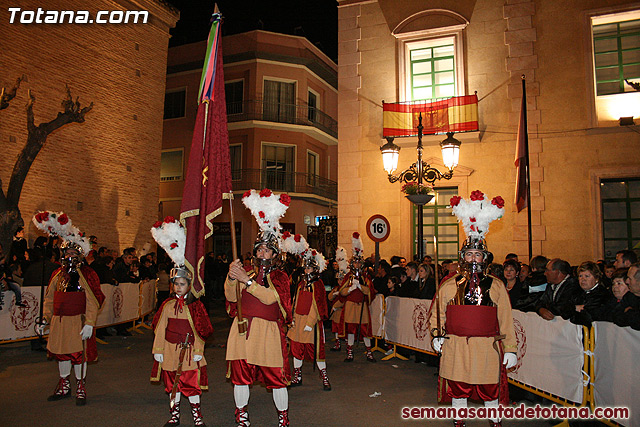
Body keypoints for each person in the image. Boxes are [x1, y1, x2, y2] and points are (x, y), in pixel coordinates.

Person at [432, 192, 516, 427]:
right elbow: (438, 313)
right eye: (469, 254)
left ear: (484, 257)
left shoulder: (496, 285)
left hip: (486, 346)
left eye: (477, 254)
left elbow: (506, 319)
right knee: (459, 387)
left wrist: (510, 348)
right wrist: (437, 335)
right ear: (462, 257)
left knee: (490, 388)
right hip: (456, 345)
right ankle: (459, 421)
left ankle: (495, 421)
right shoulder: (450, 284)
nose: (473, 259)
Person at [225, 189, 292, 427]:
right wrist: (233, 277)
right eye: (259, 249)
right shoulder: (247, 272)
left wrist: (246, 281)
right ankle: (241, 415)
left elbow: (270, 299)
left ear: (274, 253)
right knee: (241, 377)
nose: (261, 253)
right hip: (243, 330)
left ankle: (283, 418)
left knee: (277, 377)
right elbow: (231, 298)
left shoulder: (281, 277)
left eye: (266, 250)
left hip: (269, 332)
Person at [33, 211, 105, 406]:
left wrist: (90, 322)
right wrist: (45, 319)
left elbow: (93, 300)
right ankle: (64, 384)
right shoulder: (58, 274)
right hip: (60, 320)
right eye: (67, 253)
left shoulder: (87, 274)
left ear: (80, 255)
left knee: (78, 355)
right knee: (61, 353)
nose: (70, 256)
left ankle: (80, 385)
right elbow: (49, 299)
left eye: (74, 253)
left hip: (78, 321)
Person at [151, 266, 213, 427]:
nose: (178, 287)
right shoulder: (167, 305)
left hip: (189, 351)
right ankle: (175, 415)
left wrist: (199, 350)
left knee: (191, 384)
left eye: (182, 284)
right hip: (170, 350)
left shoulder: (195, 306)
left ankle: (197, 416)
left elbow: (200, 330)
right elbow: (160, 328)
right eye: (176, 283)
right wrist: (158, 349)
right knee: (172, 384)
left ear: (189, 285)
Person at [286, 242, 331, 390]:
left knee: (317, 352)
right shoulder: (301, 283)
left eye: (309, 267)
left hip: (310, 324)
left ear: (315, 269)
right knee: (296, 350)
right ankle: (297, 375)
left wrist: (310, 323)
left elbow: (317, 305)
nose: (306, 270)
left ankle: (324, 377)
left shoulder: (317, 285)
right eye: (305, 267)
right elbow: (295, 301)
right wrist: (292, 318)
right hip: (298, 322)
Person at [337, 232, 376, 363]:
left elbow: (370, 292)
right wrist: (351, 288)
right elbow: (342, 292)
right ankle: (349, 352)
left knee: (364, 329)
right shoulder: (348, 277)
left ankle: (369, 352)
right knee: (350, 329)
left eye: (359, 263)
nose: (357, 265)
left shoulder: (365, 277)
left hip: (361, 306)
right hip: (350, 306)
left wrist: (360, 287)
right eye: (355, 263)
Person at [569, 261, 616, 327]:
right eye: (580, 276)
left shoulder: (602, 295)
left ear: (596, 278)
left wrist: (572, 309)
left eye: (587, 276)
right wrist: (575, 308)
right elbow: (563, 308)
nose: (583, 279)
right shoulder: (577, 293)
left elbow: (586, 317)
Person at [328, 246, 349, 352]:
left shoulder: (347, 289)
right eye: (339, 280)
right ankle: (337, 344)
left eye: (342, 280)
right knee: (335, 328)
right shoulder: (336, 288)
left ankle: (347, 345)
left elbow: (344, 299)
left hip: (342, 312)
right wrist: (334, 293)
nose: (340, 282)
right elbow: (330, 297)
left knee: (344, 329)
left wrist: (336, 306)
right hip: (336, 313)